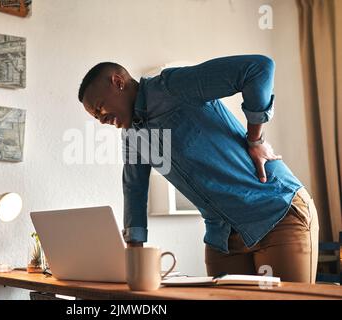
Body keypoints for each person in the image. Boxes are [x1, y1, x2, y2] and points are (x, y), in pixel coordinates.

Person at [77, 55, 319, 283]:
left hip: (275, 212)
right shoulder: (131, 137)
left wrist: (255, 138)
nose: (101, 120)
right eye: (95, 117)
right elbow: (134, 191)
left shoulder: (172, 86)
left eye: (100, 108)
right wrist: (134, 259)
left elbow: (258, 68)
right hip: (222, 239)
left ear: (118, 82)